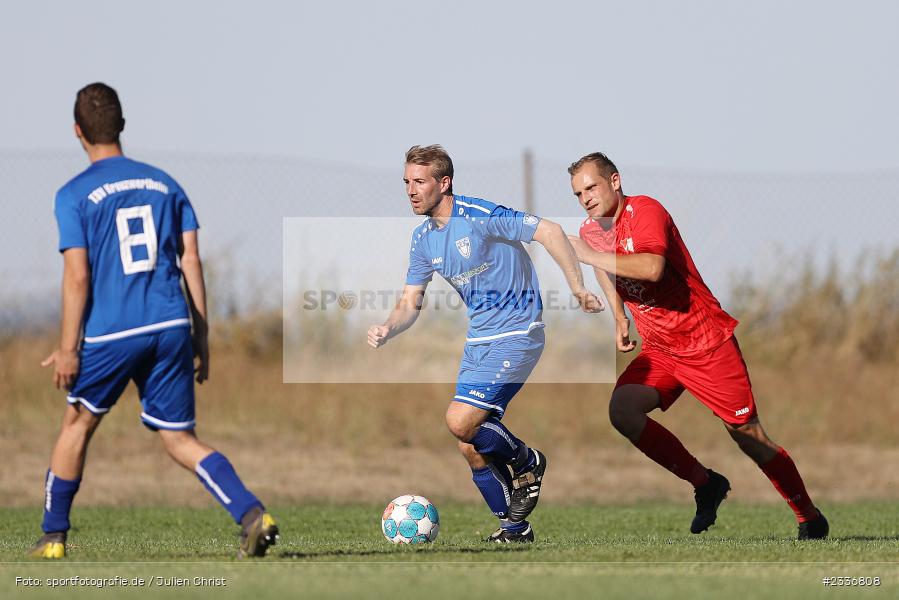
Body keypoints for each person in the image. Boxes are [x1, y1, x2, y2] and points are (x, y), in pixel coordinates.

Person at [29, 83, 279, 559]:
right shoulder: (166, 183)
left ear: (77, 131)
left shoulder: (73, 194)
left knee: (76, 425)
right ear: (122, 126)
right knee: (180, 438)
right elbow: (191, 260)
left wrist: (68, 347)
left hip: (113, 330)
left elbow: (78, 276)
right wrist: (201, 333)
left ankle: (53, 538)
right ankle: (252, 514)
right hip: (170, 325)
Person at [566, 152, 829, 540]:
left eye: (591, 187)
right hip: (661, 349)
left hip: (706, 342)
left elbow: (651, 267)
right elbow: (605, 268)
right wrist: (618, 316)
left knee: (746, 435)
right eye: (578, 193)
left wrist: (589, 255)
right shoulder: (592, 230)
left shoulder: (647, 210)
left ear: (615, 181)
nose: (586, 198)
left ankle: (808, 515)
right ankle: (705, 483)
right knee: (623, 411)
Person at [368, 145, 602, 542]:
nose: (411, 190)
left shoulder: (479, 215)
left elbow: (549, 231)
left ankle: (530, 462)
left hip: (518, 331)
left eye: (419, 182)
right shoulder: (423, 239)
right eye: (407, 182)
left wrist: (577, 287)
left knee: (460, 420)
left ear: (445, 184)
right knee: (470, 445)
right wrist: (390, 326)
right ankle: (515, 529)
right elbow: (411, 301)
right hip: (479, 341)